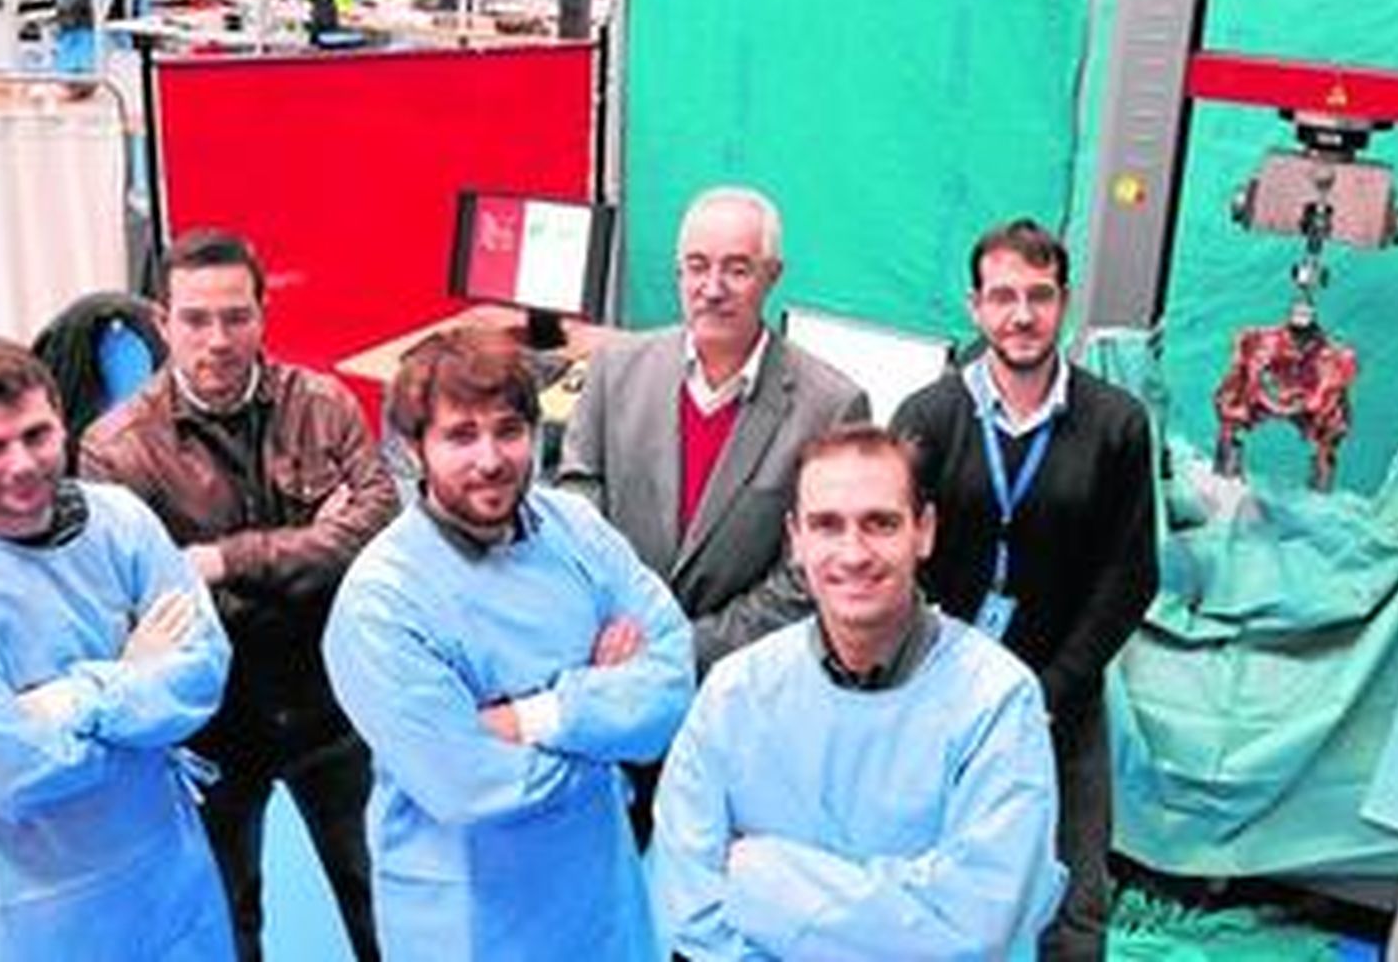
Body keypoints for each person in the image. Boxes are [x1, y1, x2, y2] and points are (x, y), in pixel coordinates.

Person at [0, 336, 232, 961]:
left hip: (164, 880)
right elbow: (18, 774)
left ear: (63, 423)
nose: (22, 463)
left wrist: (69, 699)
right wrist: (134, 682)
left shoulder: (122, 524)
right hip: (30, 910)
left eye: (37, 435)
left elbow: (203, 676)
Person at [323, 327, 694, 962]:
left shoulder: (576, 528)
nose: (491, 459)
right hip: (469, 918)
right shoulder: (382, 603)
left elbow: (671, 680)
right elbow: (465, 784)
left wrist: (532, 716)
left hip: (601, 898)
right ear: (414, 448)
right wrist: (606, 729)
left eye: (509, 430)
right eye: (461, 435)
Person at [80, 230, 399, 962]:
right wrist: (310, 553)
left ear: (263, 316)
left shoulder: (323, 403)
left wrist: (222, 560)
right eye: (196, 319)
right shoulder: (113, 449)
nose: (218, 340)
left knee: (379, 898)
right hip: (210, 725)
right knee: (227, 918)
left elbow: (376, 532)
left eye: (236, 316)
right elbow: (151, 605)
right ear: (163, 323)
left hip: (335, 707)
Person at [652, 424, 1064, 960]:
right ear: (795, 540)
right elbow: (689, 908)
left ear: (925, 531)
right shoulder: (735, 692)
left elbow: (977, 926)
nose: (853, 553)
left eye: (880, 524)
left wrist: (766, 879)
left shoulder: (999, 702)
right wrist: (893, 906)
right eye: (827, 526)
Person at [891, 217, 1159, 960]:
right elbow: (894, 556)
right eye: (1002, 296)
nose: (1021, 315)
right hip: (935, 696)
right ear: (975, 307)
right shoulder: (928, 418)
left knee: (1073, 910)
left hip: (1059, 704)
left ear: (1063, 301)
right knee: (921, 879)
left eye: (1038, 296)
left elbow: (1130, 574)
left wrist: (1051, 692)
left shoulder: (1116, 424)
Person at [558, 185, 869, 678]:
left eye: (738, 269)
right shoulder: (614, 369)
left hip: (739, 681)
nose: (713, 286)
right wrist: (611, 615)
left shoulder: (831, 408)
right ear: (679, 272)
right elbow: (577, 496)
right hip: (609, 653)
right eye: (698, 266)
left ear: (773, 277)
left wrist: (680, 650)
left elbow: (809, 571)